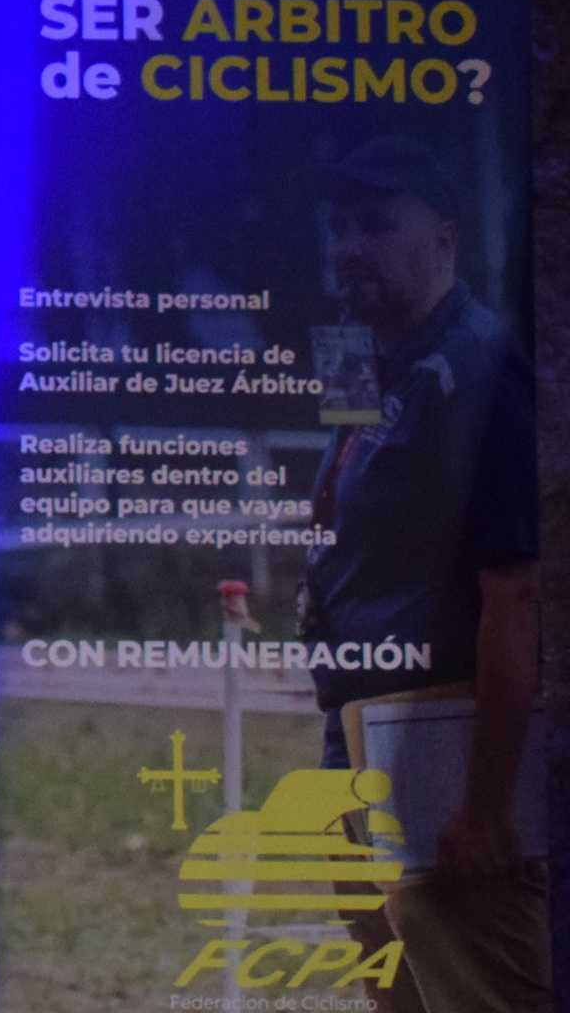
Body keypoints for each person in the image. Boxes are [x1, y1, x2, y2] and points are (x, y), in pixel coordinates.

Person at [298, 136, 545, 1011]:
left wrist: (485, 803)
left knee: (476, 986)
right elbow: (331, 517)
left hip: (437, 734)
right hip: (352, 729)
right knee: (396, 993)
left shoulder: (481, 369)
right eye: (339, 229)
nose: (349, 248)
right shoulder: (363, 352)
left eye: (373, 225)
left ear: (441, 239)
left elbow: (513, 597)